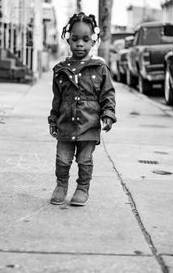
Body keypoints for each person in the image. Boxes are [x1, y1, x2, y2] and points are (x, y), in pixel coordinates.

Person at [48, 12, 116, 206]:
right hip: (65, 125)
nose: (80, 44)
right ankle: (61, 185)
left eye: (86, 39)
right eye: (75, 39)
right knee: (62, 159)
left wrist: (108, 114)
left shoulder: (99, 68)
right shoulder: (60, 70)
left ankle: (82, 188)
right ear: (68, 39)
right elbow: (57, 100)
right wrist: (53, 120)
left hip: (89, 125)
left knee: (84, 160)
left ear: (93, 41)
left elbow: (107, 95)